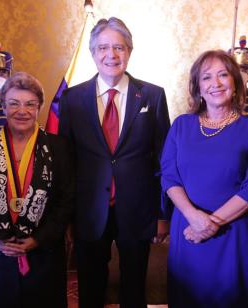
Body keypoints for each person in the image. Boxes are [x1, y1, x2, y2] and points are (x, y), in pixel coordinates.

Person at [59, 17, 171, 308]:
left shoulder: (152, 96)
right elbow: (66, 162)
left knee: (134, 289)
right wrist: (68, 216)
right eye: (104, 48)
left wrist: (162, 213)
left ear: (129, 52)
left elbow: (163, 159)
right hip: (87, 211)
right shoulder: (72, 99)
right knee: (90, 288)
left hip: (137, 209)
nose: (112, 55)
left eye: (119, 47)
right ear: (93, 53)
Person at [161, 50, 248, 307]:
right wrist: (195, 218)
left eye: (223, 75)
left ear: (236, 83)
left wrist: (212, 223)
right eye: (207, 77)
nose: (215, 84)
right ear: (198, 86)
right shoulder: (181, 126)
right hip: (186, 228)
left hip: (231, 235)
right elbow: (169, 177)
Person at [0, 72, 74, 308]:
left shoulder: (58, 147)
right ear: (3, 107)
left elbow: (66, 200)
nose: (22, 111)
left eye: (30, 104)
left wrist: (38, 239)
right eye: (14, 103)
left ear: (39, 107)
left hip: (43, 252)